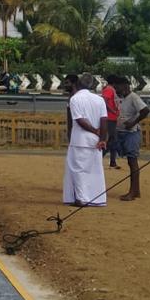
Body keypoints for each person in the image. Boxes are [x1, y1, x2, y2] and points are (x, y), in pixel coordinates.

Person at [62, 73, 108, 207]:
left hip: (80, 140)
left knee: (78, 170)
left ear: (78, 84)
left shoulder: (75, 99)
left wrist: (94, 130)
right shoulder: (99, 99)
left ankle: (81, 198)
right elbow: (104, 120)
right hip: (96, 141)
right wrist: (102, 138)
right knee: (95, 170)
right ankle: (97, 198)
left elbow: (79, 120)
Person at [116, 78, 150, 201]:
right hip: (121, 132)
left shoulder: (133, 97)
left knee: (132, 161)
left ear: (124, 86)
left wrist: (133, 122)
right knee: (130, 161)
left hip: (131, 133)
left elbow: (145, 111)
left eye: (118, 86)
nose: (116, 89)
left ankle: (133, 191)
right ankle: (136, 191)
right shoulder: (121, 98)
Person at [101, 74, 121, 169]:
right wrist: (112, 111)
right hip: (109, 118)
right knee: (110, 141)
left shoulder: (111, 89)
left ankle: (113, 161)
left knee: (113, 141)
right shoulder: (109, 89)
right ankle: (99, 158)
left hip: (113, 118)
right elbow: (104, 101)